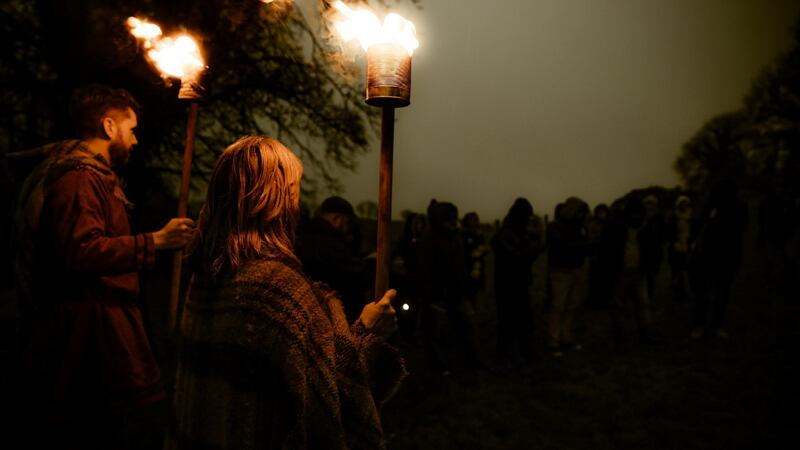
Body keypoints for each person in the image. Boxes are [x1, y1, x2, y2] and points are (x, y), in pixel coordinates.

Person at [173, 135, 405, 449]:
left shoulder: (204, 277)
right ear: (274, 199)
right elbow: (329, 410)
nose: (297, 203)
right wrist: (367, 334)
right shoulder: (278, 290)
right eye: (293, 190)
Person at [16, 84, 195, 448]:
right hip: (82, 339)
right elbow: (81, 250)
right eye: (131, 130)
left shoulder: (91, 177)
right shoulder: (78, 179)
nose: (135, 141)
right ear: (109, 127)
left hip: (97, 328)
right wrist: (155, 241)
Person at [417, 199, 483, 370]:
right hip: (438, 295)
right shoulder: (429, 240)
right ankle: (439, 367)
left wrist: (466, 284)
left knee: (468, 325)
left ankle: (473, 361)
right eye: (450, 218)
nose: (454, 221)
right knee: (436, 333)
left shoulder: (456, 237)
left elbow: (460, 264)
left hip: (458, 292)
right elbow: (425, 271)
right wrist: (430, 296)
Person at [295, 195, 370, 322]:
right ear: (337, 219)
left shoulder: (305, 237)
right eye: (348, 223)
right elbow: (360, 274)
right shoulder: (329, 245)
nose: (350, 228)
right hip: (332, 316)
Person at [688, 181, 748, 339]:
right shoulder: (709, 206)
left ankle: (717, 326)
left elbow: (741, 227)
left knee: (722, 294)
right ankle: (699, 325)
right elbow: (698, 225)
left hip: (727, 256)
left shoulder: (739, 207)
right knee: (703, 294)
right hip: (708, 256)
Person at [491, 198, 544, 360]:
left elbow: (525, 254)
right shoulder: (507, 233)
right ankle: (504, 354)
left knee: (523, 320)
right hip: (508, 283)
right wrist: (536, 248)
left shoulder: (518, 231)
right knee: (508, 320)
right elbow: (516, 257)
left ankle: (523, 351)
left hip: (518, 282)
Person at [603, 198, 657, 344]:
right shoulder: (617, 227)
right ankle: (620, 336)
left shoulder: (645, 228)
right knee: (621, 306)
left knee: (642, 305)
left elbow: (653, 250)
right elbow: (607, 250)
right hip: (620, 273)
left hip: (639, 273)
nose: (636, 216)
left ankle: (644, 335)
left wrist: (650, 268)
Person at [546, 197, 591, 356]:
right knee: (558, 307)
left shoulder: (580, 228)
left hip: (575, 269)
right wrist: (582, 244)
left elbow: (582, 246)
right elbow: (564, 246)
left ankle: (565, 338)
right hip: (560, 271)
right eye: (579, 212)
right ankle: (554, 341)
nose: (581, 215)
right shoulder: (555, 227)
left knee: (571, 306)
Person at [667, 195, 694, 303]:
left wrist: (691, 242)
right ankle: (679, 294)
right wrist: (674, 242)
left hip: (689, 247)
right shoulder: (673, 217)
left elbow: (696, 231)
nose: (684, 205)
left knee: (691, 271)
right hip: (676, 248)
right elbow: (669, 232)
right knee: (677, 271)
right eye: (682, 204)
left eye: (686, 203)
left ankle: (695, 291)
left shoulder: (692, 217)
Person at [461, 212, 489, 309]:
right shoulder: (463, 234)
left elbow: (483, 246)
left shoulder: (479, 233)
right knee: (468, 290)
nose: (473, 221)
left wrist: (483, 250)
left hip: (478, 265)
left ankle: (473, 308)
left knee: (475, 290)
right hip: (468, 266)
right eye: (471, 219)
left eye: (475, 219)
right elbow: (464, 250)